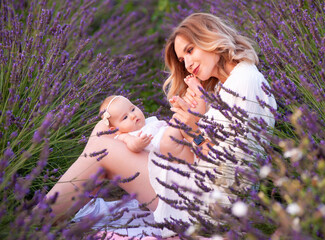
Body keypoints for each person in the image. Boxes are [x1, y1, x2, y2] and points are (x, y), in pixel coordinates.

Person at [45, 12, 276, 238]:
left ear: (210, 36)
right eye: (183, 60)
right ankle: (54, 217)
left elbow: (229, 172)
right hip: (200, 188)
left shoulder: (245, 81)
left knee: (101, 147)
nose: (188, 64)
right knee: (105, 138)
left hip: (208, 205)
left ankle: (35, 223)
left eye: (190, 50)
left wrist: (193, 130)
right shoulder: (223, 86)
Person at [98, 95, 194, 161]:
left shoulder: (148, 122)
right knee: (177, 120)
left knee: (181, 124)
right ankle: (181, 110)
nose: (133, 115)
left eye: (132, 109)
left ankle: (196, 143)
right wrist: (137, 143)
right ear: (115, 130)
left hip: (174, 138)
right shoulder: (124, 136)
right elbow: (132, 144)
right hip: (163, 147)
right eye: (125, 117)